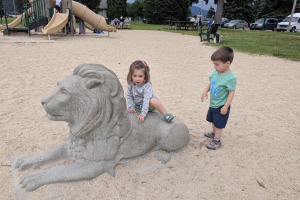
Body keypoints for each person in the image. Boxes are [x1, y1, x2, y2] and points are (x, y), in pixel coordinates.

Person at [201, 46, 237, 150]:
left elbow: (231, 93)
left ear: (227, 63)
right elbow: (211, 83)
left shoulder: (231, 78)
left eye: (217, 64)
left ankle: (217, 140)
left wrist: (226, 106)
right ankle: (214, 133)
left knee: (219, 124)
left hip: (221, 106)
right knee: (213, 120)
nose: (214, 67)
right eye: (214, 64)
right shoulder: (215, 73)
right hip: (213, 104)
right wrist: (205, 91)